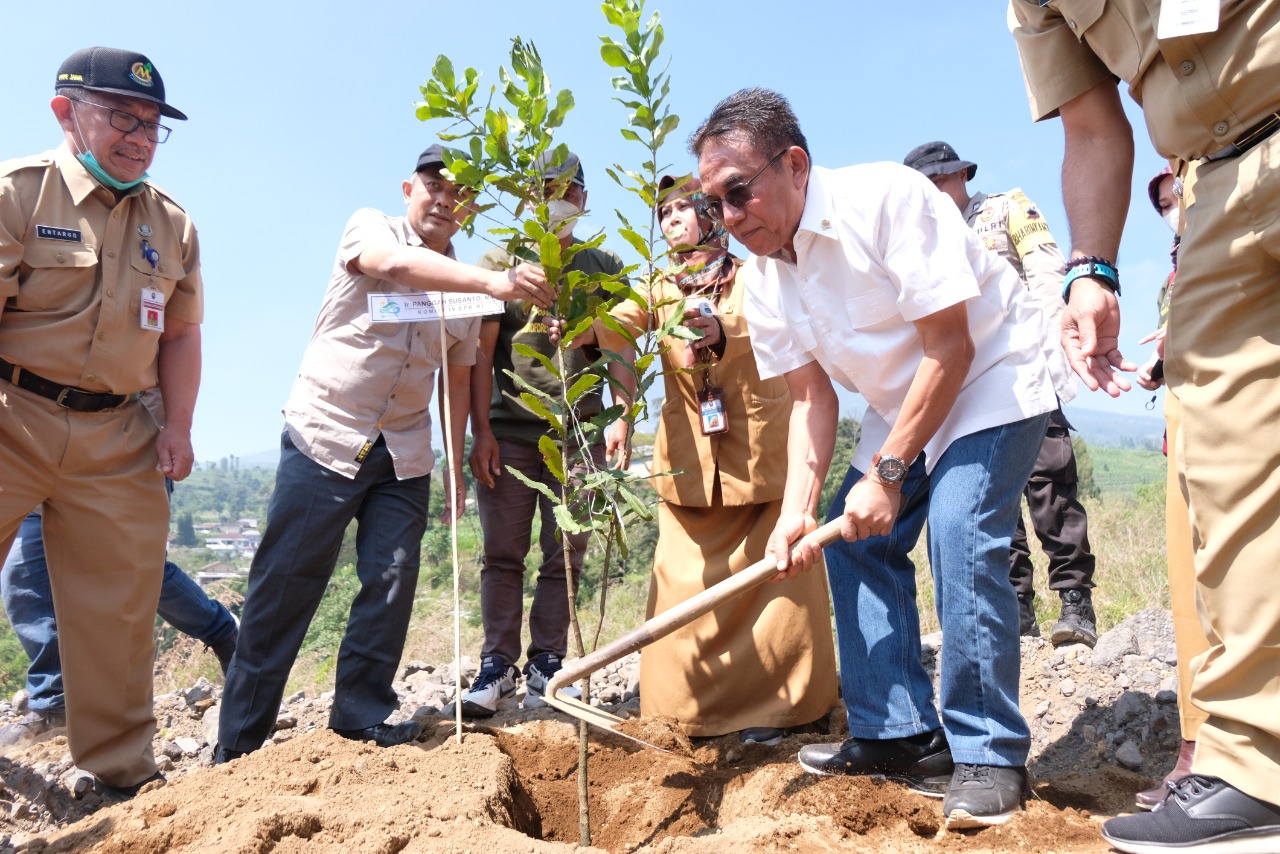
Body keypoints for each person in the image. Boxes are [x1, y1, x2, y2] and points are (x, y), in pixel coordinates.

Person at [691, 88, 1070, 829]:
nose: (731, 220)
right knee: (850, 539)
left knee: (961, 533)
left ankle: (989, 753)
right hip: (905, 405)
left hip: (991, 376)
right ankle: (898, 734)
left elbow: (951, 347)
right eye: (716, 206)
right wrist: (797, 513)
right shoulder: (764, 278)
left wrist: (891, 475)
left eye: (740, 192)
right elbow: (813, 401)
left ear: (794, 165)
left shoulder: (887, 199)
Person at [1010, 3, 1280, 849]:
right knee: (1224, 462)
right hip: (1215, 190)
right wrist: (1091, 268)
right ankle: (1261, 768)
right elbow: (1093, 126)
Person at [214, 145, 554, 762]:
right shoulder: (370, 226)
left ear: (471, 207)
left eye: (461, 192)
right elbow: (392, 264)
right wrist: (496, 282)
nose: (446, 198)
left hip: (403, 454)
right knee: (285, 588)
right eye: (434, 185)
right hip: (327, 436)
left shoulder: (466, 289)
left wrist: (456, 459)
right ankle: (237, 745)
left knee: (393, 581)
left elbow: (457, 372)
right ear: (408, 188)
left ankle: (361, 714)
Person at [0, 47, 202, 798]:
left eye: (152, 124)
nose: (140, 136)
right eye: (122, 115)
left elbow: (179, 334)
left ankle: (120, 775)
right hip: (10, 416)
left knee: (119, 606)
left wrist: (178, 425)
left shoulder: (173, 224)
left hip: (117, 433)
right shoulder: (19, 193)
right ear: (66, 112)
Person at [579, 174, 839, 743]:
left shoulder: (758, 275)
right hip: (688, 466)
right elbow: (615, 331)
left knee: (779, 584)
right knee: (680, 587)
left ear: (712, 213)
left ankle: (785, 712)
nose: (671, 220)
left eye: (683, 209)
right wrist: (620, 410)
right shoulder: (655, 288)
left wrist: (723, 328)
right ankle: (684, 715)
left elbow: (790, 332)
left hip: (763, 460)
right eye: (663, 213)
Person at [904, 141, 1099, 647]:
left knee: (1050, 484)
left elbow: (1045, 274)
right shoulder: (918, 239)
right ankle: (1016, 610)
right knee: (990, 499)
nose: (934, 193)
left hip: (1026, 367)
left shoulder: (1006, 208)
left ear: (961, 176)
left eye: (940, 181)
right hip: (965, 386)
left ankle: (1076, 600)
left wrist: (1048, 358)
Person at [461, 151, 626, 716]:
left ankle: (549, 662)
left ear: (583, 199)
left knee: (567, 553)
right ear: (528, 197)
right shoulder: (500, 261)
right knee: (502, 553)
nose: (556, 199)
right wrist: (478, 430)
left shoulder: (603, 265)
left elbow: (622, 349)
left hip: (580, 434)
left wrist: (624, 416)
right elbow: (481, 357)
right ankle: (498, 665)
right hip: (508, 432)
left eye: (566, 189)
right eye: (544, 189)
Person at [1, 506, 238, 748]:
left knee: (140, 567)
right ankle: (55, 705)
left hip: (108, 475)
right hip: (37, 490)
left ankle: (223, 633)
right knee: (22, 577)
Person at [1130, 164, 1205, 811]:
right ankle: (1201, 751)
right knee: (1194, 603)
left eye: (1174, 194)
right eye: (1163, 202)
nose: (1170, 205)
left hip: (1243, 427)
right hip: (1187, 435)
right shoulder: (1174, 273)